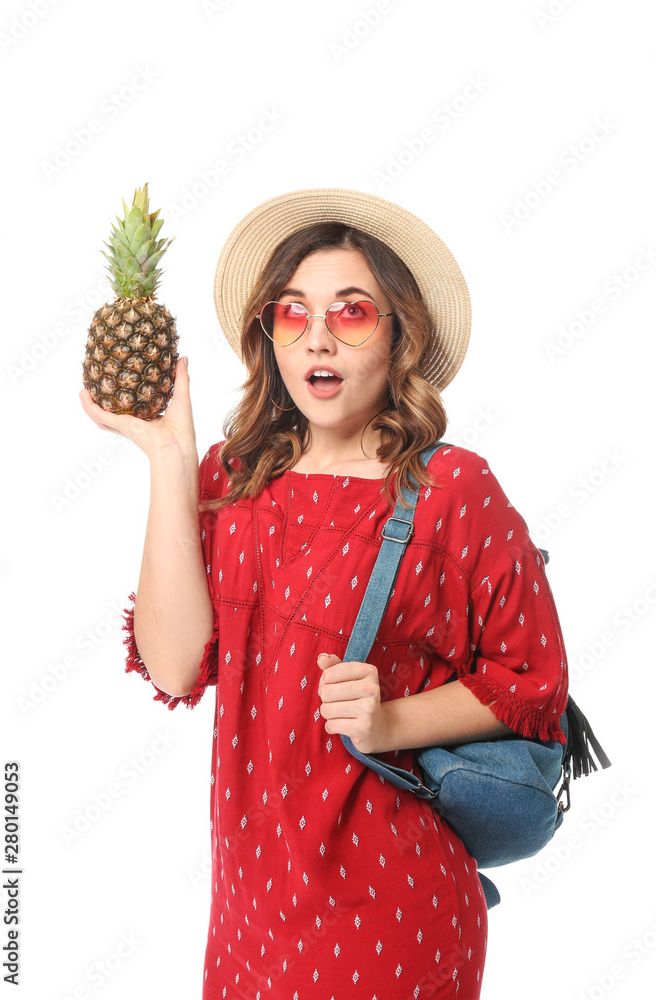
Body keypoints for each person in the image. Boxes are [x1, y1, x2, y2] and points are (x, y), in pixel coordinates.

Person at [80, 187, 569, 999]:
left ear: (398, 332)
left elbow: (534, 685)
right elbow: (174, 669)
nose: (317, 336)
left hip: (393, 905)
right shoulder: (229, 481)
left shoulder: (451, 489)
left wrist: (390, 720)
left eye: (350, 313)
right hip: (247, 911)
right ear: (267, 335)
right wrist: (169, 459)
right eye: (291, 312)